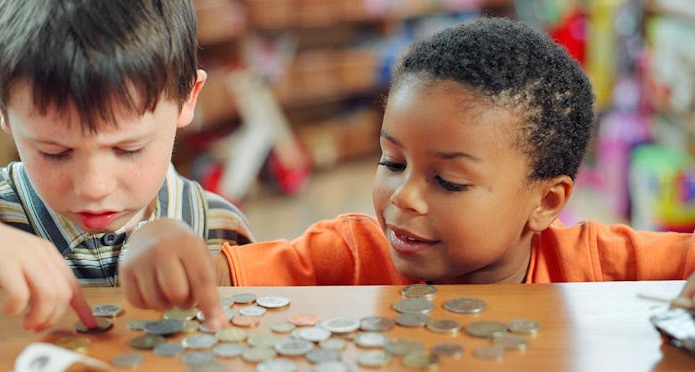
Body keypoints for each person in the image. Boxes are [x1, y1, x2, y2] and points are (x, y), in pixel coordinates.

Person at [125, 17, 695, 306]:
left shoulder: (595, 262)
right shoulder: (348, 253)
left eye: (447, 180)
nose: (403, 198)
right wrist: (164, 245)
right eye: (392, 162)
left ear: (546, 202)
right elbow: (215, 272)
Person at [0, 0, 253, 332]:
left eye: (128, 148)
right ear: (2, 107)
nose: (94, 187)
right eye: (55, 152)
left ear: (188, 98)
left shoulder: (219, 230)